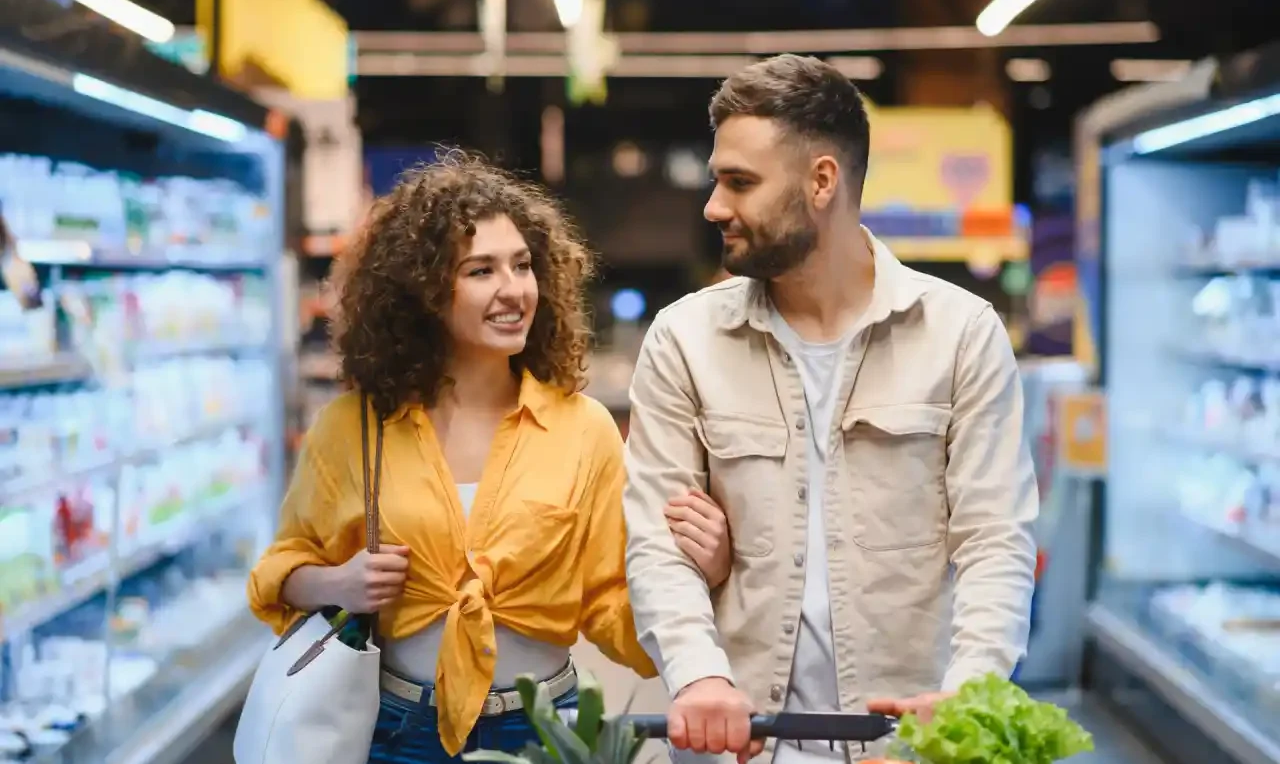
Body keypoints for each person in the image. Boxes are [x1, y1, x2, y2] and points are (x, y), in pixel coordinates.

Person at [246, 154, 731, 763]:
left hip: (543, 730)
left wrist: (700, 582)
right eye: (481, 271)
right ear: (422, 291)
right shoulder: (355, 428)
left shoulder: (582, 431)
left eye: (523, 265)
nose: (513, 289)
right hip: (391, 732)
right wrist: (338, 582)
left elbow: (612, 603)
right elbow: (279, 571)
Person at [622, 54, 1039, 763]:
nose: (714, 206)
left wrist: (967, 698)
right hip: (739, 740)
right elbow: (659, 544)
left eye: (740, 182)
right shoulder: (685, 339)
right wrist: (700, 675)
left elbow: (994, 542)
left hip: (904, 743)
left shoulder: (959, 335)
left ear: (822, 181)